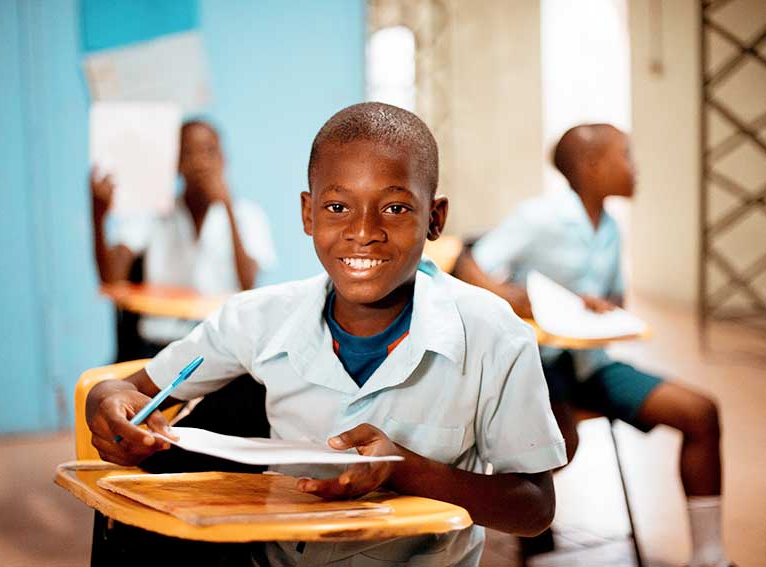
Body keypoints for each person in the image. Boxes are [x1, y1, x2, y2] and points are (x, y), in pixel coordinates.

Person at [85, 102, 567, 566]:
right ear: (308, 213)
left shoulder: (494, 335)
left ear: (435, 218)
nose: (364, 231)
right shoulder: (258, 317)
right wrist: (106, 402)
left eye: (396, 209)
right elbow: (130, 389)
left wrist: (406, 469)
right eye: (338, 206)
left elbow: (533, 508)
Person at [453, 123, 731, 567]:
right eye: (626, 156)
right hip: (539, 367)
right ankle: (526, 523)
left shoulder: (612, 228)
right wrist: (514, 298)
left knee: (700, 413)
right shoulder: (539, 217)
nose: (635, 168)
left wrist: (602, 305)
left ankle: (710, 557)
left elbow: (615, 297)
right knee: (561, 442)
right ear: (592, 166)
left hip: (590, 362)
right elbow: (468, 264)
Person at [91, 119, 276, 352]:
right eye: (189, 152)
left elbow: (248, 284)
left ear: (223, 159)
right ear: (176, 164)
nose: (200, 162)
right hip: (159, 344)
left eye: (209, 151)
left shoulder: (247, 215)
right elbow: (111, 279)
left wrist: (227, 206)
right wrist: (98, 215)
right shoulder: (154, 213)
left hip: (220, 346)